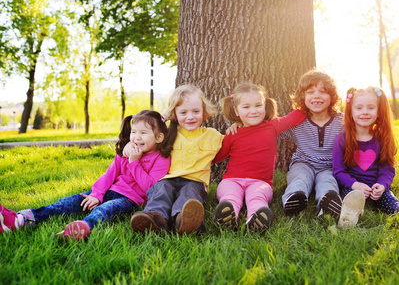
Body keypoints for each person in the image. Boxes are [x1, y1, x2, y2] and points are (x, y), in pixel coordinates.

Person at [0, 110, 171, 241]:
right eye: (134, 132)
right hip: (109, 191)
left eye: (143, 133)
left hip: (130, 200)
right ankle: (21, 219)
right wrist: (96, 194)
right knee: (68, 203)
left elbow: (150, 188)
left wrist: (134, 162)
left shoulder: (161, 158)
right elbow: (108, 175)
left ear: (159, 137)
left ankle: (81, 228)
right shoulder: (125, 152)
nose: (136, 138)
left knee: (105, 210)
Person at [333, 87, 399, 228]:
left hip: (376, 188)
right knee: (350, 198)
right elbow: (338, 171)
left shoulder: (382, 138)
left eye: (370, 108)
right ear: (351, 111)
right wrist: (355, 185)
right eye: (359, 108)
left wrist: (382, 186)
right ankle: (349, 217)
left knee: (393, 203)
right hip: (352, 187)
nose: (365, 112)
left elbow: (387, 168)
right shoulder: (342, 139)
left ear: (378, 112)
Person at [129, 85, 223, 235]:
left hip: (195, 180)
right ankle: (154, 218)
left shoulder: (213, 135)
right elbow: (148, 140)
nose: (190, 117)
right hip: (168, 178)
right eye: (184, 112)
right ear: (175, 113)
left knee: (189, 193)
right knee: (162, 191)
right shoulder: (168, 133)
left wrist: (236, 126)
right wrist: (131, 143)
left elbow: (232, 144)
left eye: (196, 111)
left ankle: (184, 220)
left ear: (204, 111)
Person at [212, 83, 307, 232]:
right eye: (246, 107)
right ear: (236, 111)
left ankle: (256, 218)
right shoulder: (233, 134)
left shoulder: (273, 125)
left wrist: (312, 100)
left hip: (260, 182)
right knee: (230, 195)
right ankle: (227, 216)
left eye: (258, 105)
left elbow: (296, 116)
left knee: (257, 197)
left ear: (265, 105)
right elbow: (217, 156)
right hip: (232, 180)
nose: (253, 111)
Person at [280, 70, 344, 219]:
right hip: (303, 163)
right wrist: (241, 124)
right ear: (303, 97)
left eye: (323, 91)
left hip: (329, 166)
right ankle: (294, 199)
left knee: (328, 181)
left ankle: (327, 203)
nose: (316, 96)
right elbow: (271, 130)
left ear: (332, 97)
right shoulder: (296, 122)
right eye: (310, 92)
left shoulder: (342, 121)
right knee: (300, 178)